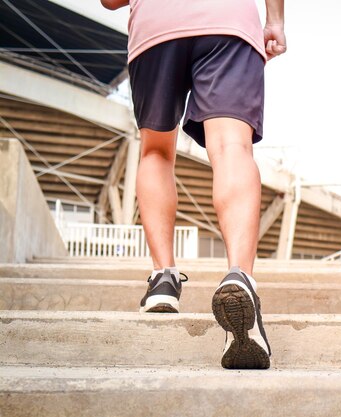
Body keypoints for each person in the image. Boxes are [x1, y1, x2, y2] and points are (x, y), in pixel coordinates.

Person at [100, 0, 286, 370]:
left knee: (155, 150)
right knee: (231, 145)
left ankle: (163, 278)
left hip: (156, 26)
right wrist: (275, 21)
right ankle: (239, 275)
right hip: (227, 21)